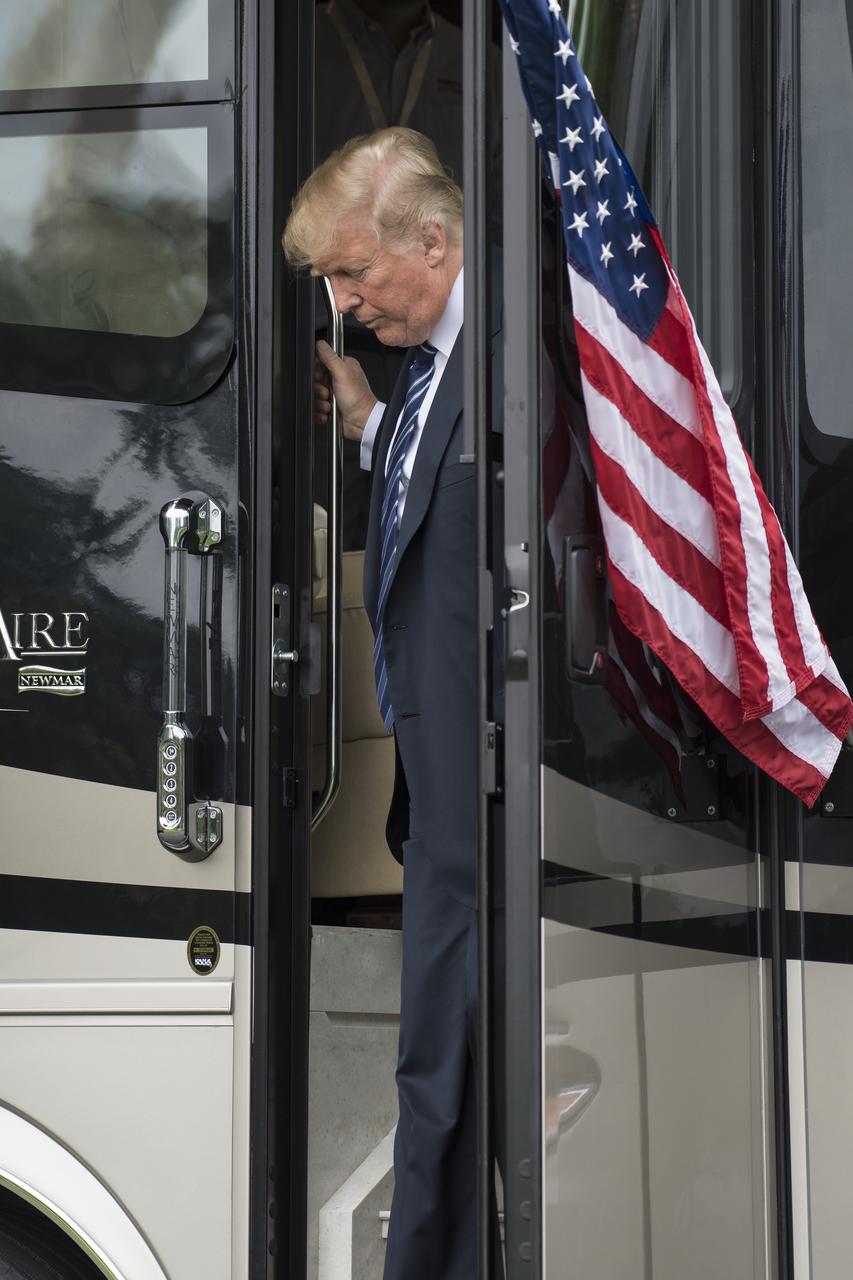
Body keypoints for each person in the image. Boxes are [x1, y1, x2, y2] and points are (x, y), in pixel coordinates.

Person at [283, 127, 500, 1280]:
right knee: (438, 1075)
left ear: (437, 238)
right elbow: (437, 503)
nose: (346, 303)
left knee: (448, 1080)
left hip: (487, 800)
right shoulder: (427, 382)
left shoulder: (513, 364)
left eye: (355, 274)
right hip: (441, 807)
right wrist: (371, 421)